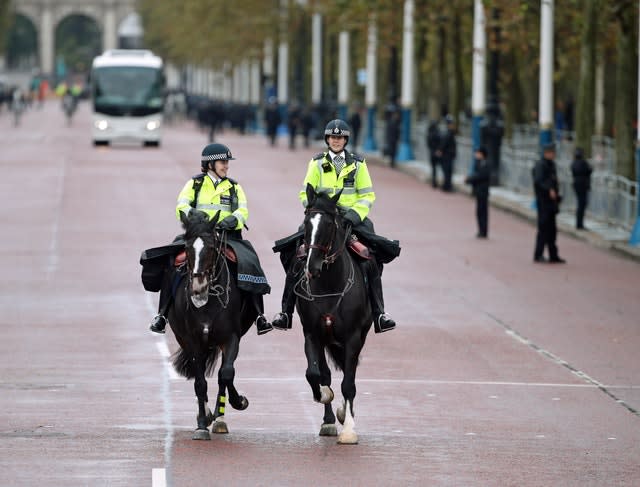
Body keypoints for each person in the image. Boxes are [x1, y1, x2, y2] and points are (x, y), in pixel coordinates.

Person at [271, 119, 400, 334]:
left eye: (339, 138)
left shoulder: (358, 164)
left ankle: (379, 313)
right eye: (332, 137)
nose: (336, 141)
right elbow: (305, 192)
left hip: (351, 221)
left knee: (370, 258)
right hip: (322, 217)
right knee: (296, 255)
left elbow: (367, 195)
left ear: (346, 140)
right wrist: (317, 207)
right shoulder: (317, 163)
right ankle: (286, 312)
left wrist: (352, 215)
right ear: (327, 139)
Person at [148, 142, 273, 335]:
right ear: (209, 164)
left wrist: (234, 219)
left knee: (251, 262)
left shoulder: (234, 187)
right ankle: (162, 315)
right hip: (198, 234)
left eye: (227, 162)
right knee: (172, 262)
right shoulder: (194, 184)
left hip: (227, 237)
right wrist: (196, 218)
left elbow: (243, 210)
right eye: (223, 162)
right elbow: (181, 206)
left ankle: (259, 315)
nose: (226, 166)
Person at [533, 143, 566, 263]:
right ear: (547, 153)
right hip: (543, 202)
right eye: (551, 152)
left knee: (552, 230)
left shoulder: (551, 165)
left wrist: (556, 196)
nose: (553, 155)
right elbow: (539, 181)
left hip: (551, 203)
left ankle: (553, 255)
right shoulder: (540, 165)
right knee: (543, 229)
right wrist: (549, 190)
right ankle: (538, 254)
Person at [465, 146, 491, 238]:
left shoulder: (485, 164)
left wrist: (469, 179)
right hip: (479, 191)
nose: (476, 154)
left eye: (478, 153)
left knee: (482, 211)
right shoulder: (479, 163)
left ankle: (483, 231)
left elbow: (480, 175)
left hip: (483, 191)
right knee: (479, 211)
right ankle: (481, 230)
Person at [570, 147, 593, 230]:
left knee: (580, 204)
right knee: (581, 204)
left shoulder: (574, 163)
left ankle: (579, 223)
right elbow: (589, 170)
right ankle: (579, 224)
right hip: (582, 185)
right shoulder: (583, 163)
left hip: (577, 184)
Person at [437, 115, 457, 192]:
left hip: (448, 155)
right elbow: (444, 143)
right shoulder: (449, 133)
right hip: (448, 155)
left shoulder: (448, 133)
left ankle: (446, 185)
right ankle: (447, 186)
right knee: (447, 171)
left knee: (447, 171)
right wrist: (440, 150)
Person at [426, 121, 441, 188]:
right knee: (440, 167)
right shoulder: (437, 133)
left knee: (434, 168)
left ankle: (434, 181)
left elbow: (428, 144)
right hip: (437, 152)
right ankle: (437, 182)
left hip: (432, 152)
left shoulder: (429, 134)